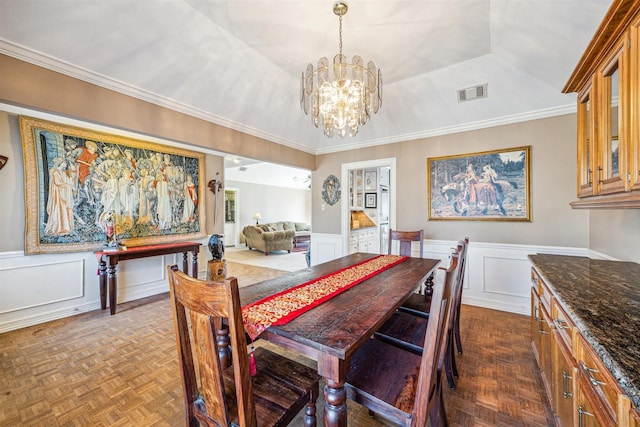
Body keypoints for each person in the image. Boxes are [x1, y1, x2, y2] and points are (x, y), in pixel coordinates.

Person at [44, 157, 75, 235]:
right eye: (64, 162)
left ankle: (65, 227)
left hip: (63, 193)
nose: (65, 164)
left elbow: (67, 180)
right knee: (60, 208)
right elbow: (58, 182)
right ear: (60, 163)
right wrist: (68, 185)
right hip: (58, 194)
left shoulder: (63, 172)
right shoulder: (56, 172)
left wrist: (71, 180)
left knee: (64, 208)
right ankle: (58, 228)